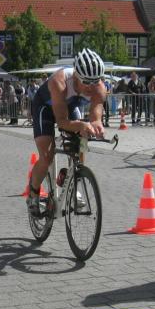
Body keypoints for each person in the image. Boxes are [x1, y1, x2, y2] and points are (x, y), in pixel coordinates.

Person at [27, 49, 107, 214]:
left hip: (70, 107)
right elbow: (62, 122)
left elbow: (96, 114)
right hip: (45, 108)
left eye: (95, 81)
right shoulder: (60, 81)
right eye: (87, 82)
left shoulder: (99, 87)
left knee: (82, 140)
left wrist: (96, 124)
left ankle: (73, 179)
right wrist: (81, 125)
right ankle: (33, 194)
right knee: (47, 157)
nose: (91, 87)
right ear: (76, 76)